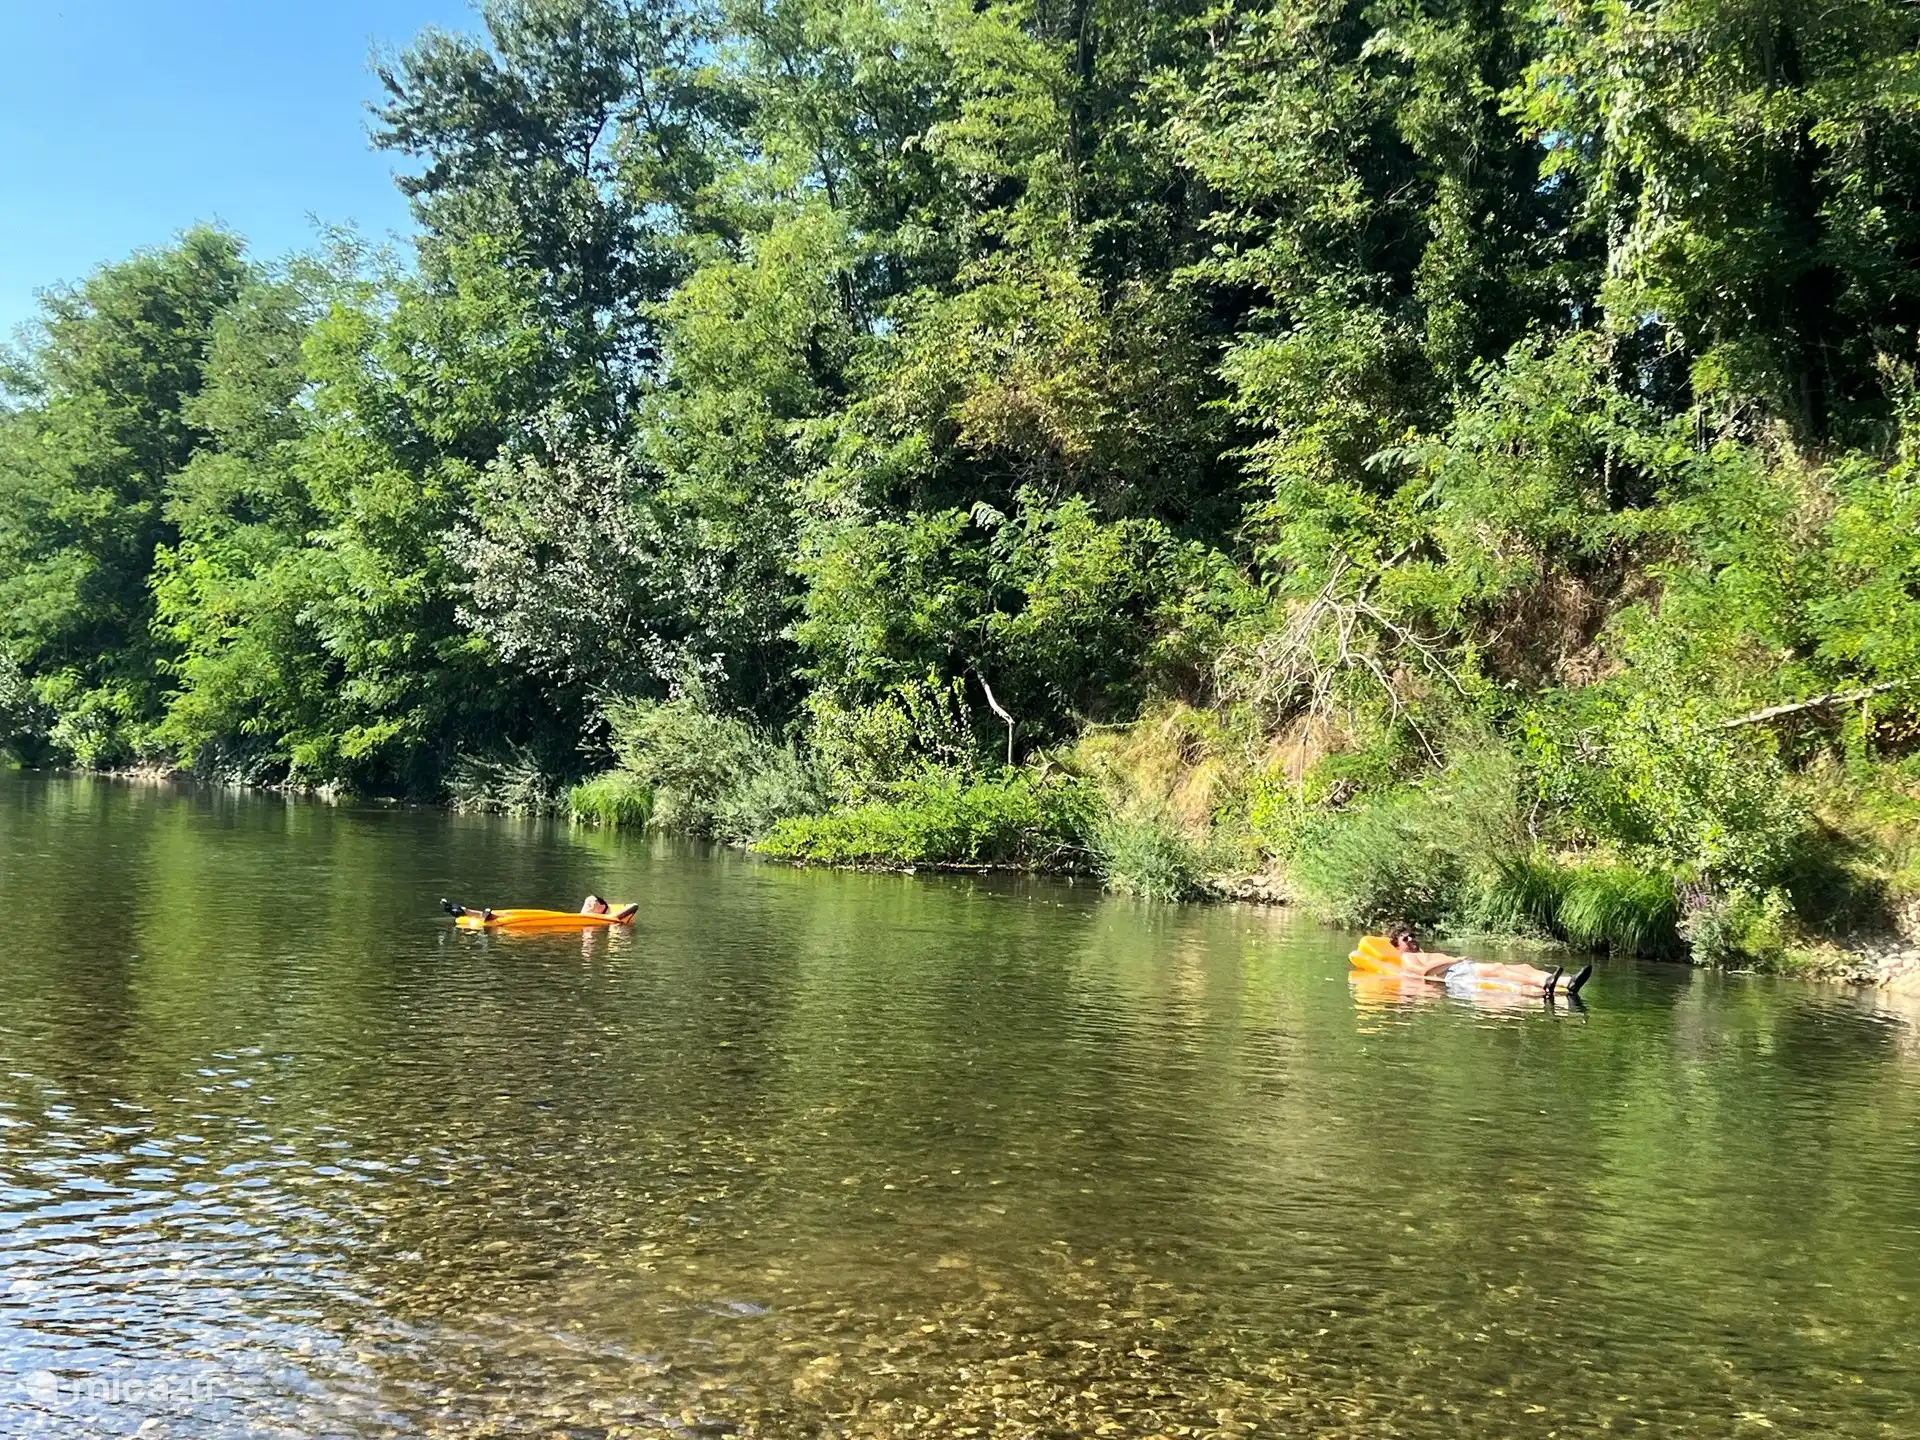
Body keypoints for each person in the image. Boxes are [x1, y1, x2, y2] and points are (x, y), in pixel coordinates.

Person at [1389, 928, 1590, 999]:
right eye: (1405, 939)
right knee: (1498, 969)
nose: (1411, 940)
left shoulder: (1427, 952)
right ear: (1397, 945)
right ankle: (1546, 984)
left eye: (1412, 937)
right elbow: (1423, 973)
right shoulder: (1407, 958)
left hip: (1458, 967)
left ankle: (1567, 981)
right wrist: (1454, 959)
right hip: (1454, 974)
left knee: (1521, 967)